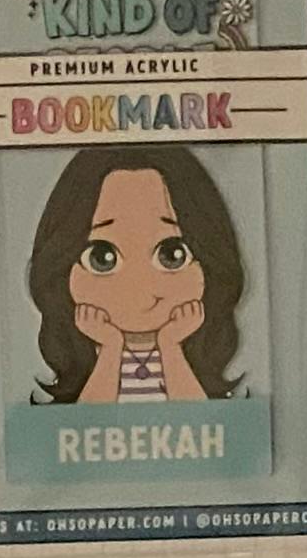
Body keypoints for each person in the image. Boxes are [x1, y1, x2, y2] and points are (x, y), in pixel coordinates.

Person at [27, 146, 243, 403]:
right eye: (102, 258)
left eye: (171, 254)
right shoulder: (94, 357)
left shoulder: (183, 355)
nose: (139, 287)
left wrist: (171, 345)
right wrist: (110, 347)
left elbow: (197, 419)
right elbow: (89, 420)